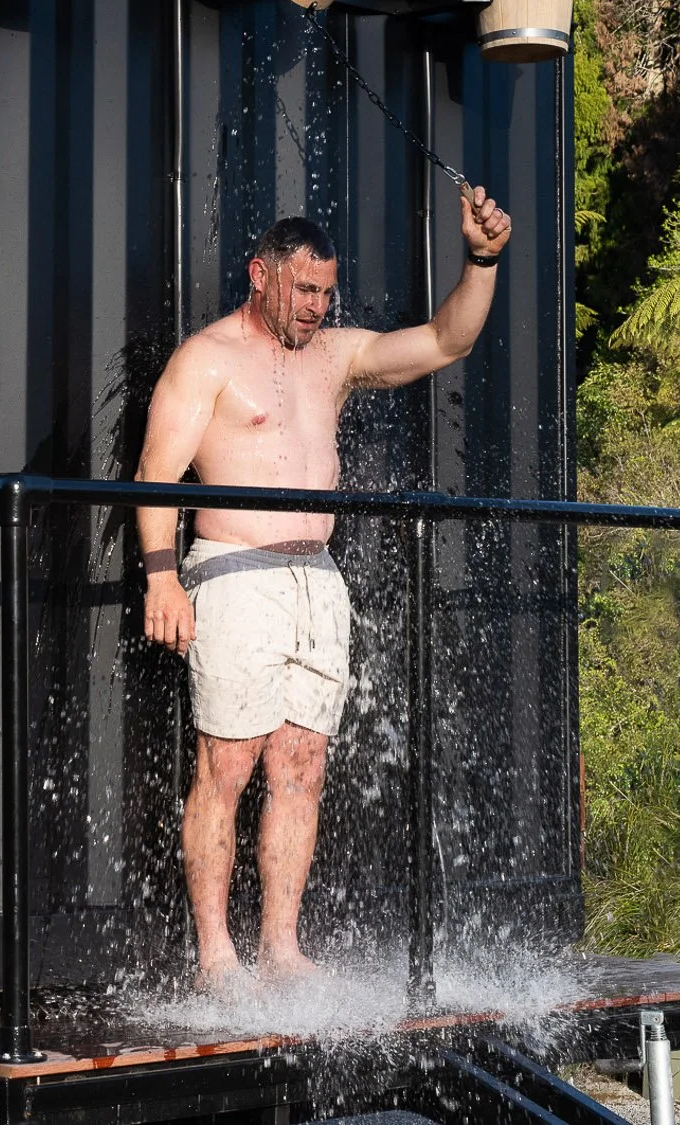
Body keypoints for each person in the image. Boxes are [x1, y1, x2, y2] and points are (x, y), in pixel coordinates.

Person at [134, 189, 513, 989]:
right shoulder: (205, 359)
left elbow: (449, 339)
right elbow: (155, 475)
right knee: (226, 765)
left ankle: (281, 947)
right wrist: (162, 577)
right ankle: (214, 956)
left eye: (325, 293)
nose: (315, 306)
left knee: (302, 763)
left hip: (317, 577)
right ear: (259, 275)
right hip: (233, 571)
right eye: (302, 290)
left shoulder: (334, 357)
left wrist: (481, 258)